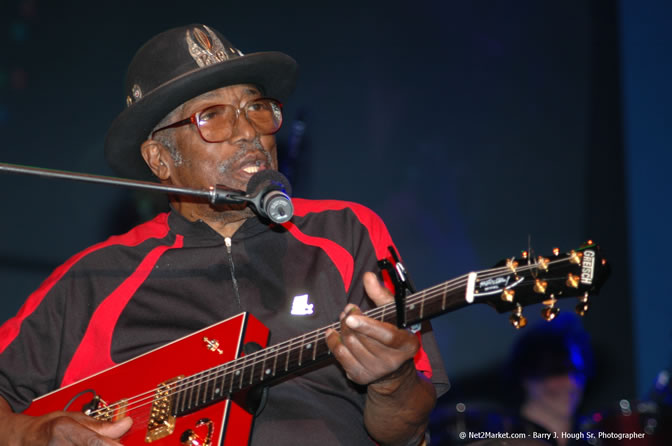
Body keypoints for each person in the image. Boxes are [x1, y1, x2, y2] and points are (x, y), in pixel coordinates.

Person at [0, 24, 449, 445]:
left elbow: (406, 429)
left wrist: (392, 382)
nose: (249, 132)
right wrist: (28, 435)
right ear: (160, 160)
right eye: (213, 116)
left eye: (255, 107)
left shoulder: (347, 231)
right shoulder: (96, 278)